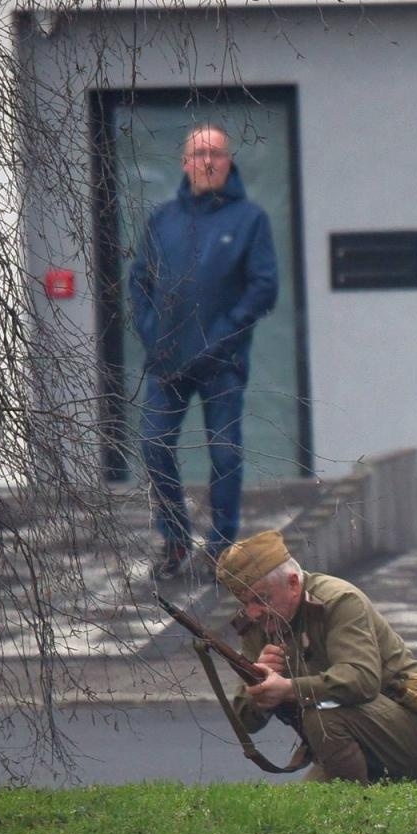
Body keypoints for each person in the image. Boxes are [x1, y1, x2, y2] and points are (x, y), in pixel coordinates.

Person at [130, 124, 279, 579]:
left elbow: (264, 287)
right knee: (153, 445)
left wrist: (225, 334)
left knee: (226, 454)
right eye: (199, 153)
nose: (208, 161)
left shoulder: (250, 220)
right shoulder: (163, 220)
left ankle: (221, 546)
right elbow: (139, 283)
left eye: (216, 153)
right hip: (168, 361)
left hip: (222, 362)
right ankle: (174, 538)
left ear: (229, 161)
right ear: (185, 164)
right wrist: (156, 336)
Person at [215, 530, 417, 784]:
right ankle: (381, 783)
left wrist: (288, 688)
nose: (253, 612)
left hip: (413, 732)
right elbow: (245, 722)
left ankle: (353, 810)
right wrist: (258, 688)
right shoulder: (257, 627)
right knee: (306, 813)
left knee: (323, 717)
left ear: (293, 584)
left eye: (262, 598)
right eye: (244, 601)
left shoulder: (337, 601)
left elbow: (362, 679)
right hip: (338, 739)